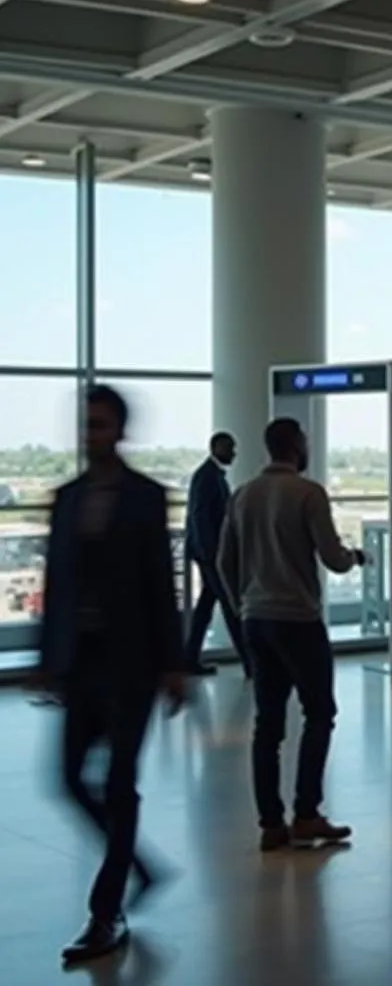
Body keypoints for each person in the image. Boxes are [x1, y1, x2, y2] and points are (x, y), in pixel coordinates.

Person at [31, 385, 187, 966]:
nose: (89, 433)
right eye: (84, 424)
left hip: (133, 664)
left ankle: (105, 911)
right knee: (69, 778)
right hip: (82, 661)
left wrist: (173, 664)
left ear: (119, 430)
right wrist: (48, 659)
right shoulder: (67, 499)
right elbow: (58, 583)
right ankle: (138, 865)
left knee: (119, 784)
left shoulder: (146, 498)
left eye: (98, 425)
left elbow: (159, 586)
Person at [217, 417, 366, 852]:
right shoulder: (308, 493)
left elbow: (225, 560)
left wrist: (243, 602)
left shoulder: (243, 495)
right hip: (299, 620)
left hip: (256, 619)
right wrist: (354, 556)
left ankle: (270, 823)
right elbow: (334, 559)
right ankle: (306, 813)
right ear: (298, 446)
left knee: (268, 724)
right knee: (319, 712)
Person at [184, 431, 249, 677]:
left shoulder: (210, 475)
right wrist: (212, 553)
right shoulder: (207, 477)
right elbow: (200, 517)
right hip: (210, 554)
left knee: (206, 607)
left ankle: (189, 658)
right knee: (231, 605)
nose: (233, 453)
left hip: (209, 553)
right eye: (229, 448)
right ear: (215, 448)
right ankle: (251, 662)